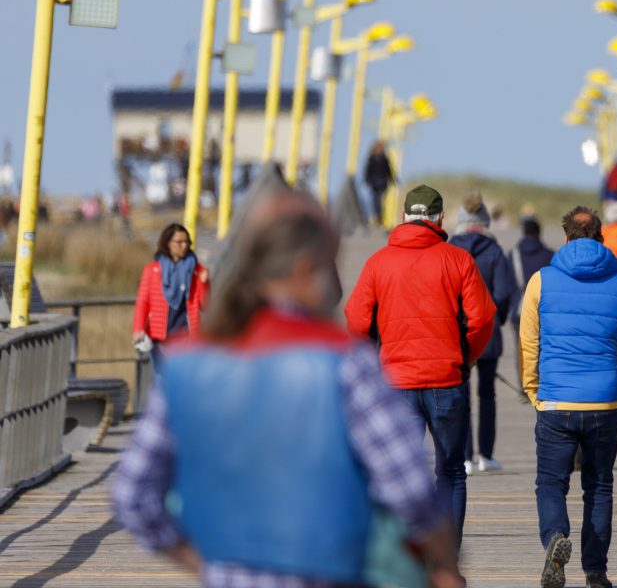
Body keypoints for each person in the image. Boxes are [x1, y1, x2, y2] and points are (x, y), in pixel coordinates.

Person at [112, 188, 464, 588]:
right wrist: (442, 563)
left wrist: (202, 562)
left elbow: (132, 494)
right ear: (305, 267)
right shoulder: (344, 363)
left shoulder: (184, 363)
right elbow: (411, 491)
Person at [345, 184, 496, 548]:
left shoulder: (378, 262)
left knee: (398, 476)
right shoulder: (458, 259)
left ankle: (404, 561)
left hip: (395, 384)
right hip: (447, 380)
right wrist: (469, 357)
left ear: (403, 217)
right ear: (439, 218)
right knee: (451, 471)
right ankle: (447, 561)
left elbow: (355, 321)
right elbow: (483, 319)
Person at [520, 206, 617, 588]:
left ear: (565, 238)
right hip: (605, 402)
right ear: (601, 237)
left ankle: (556, 537)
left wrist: (533, 389)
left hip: (556, 400)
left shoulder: (541, 281)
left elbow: (529, 342)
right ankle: (595, 571)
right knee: (599, 485)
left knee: (550, 482)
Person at [448, 190, 516, 475]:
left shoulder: (450, 249)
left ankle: (464, 457)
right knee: (487, 394)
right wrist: (493, 319)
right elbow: (504, 291)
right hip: (487, 335)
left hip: (455, 336)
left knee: (460, 396)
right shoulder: (494, 251)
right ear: (486, 220)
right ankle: (486, 455)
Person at [132, 223, 209, 372]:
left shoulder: (197, 270)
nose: (184, 245)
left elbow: (205, 305)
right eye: (179, 242)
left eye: (187, 242)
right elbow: (143, 302)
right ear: (167, 244)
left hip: (188, 336)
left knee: (186, 379)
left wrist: (204, 283)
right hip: (160, 336)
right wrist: (138, 328)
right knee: (162, 378)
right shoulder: (152, 270)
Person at [509, 214, 555, 381]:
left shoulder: (513, 254)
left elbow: (508, 285)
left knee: (521, 349)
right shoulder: (550, 255)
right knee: (542, 349)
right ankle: (541, 382)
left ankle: (525, 386)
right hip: (543, 309)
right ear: (539, 232)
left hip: (518, 309)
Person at [364, 141, 394, 226]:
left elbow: (389, 171)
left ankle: (379, 217)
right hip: (374, 184)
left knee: (380, 201)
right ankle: (378, 217)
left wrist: (392, 180)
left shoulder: (384, 159)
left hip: (382, 183)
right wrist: (367, 180)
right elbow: (368, 171)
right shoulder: (372, 159)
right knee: (376, 201)